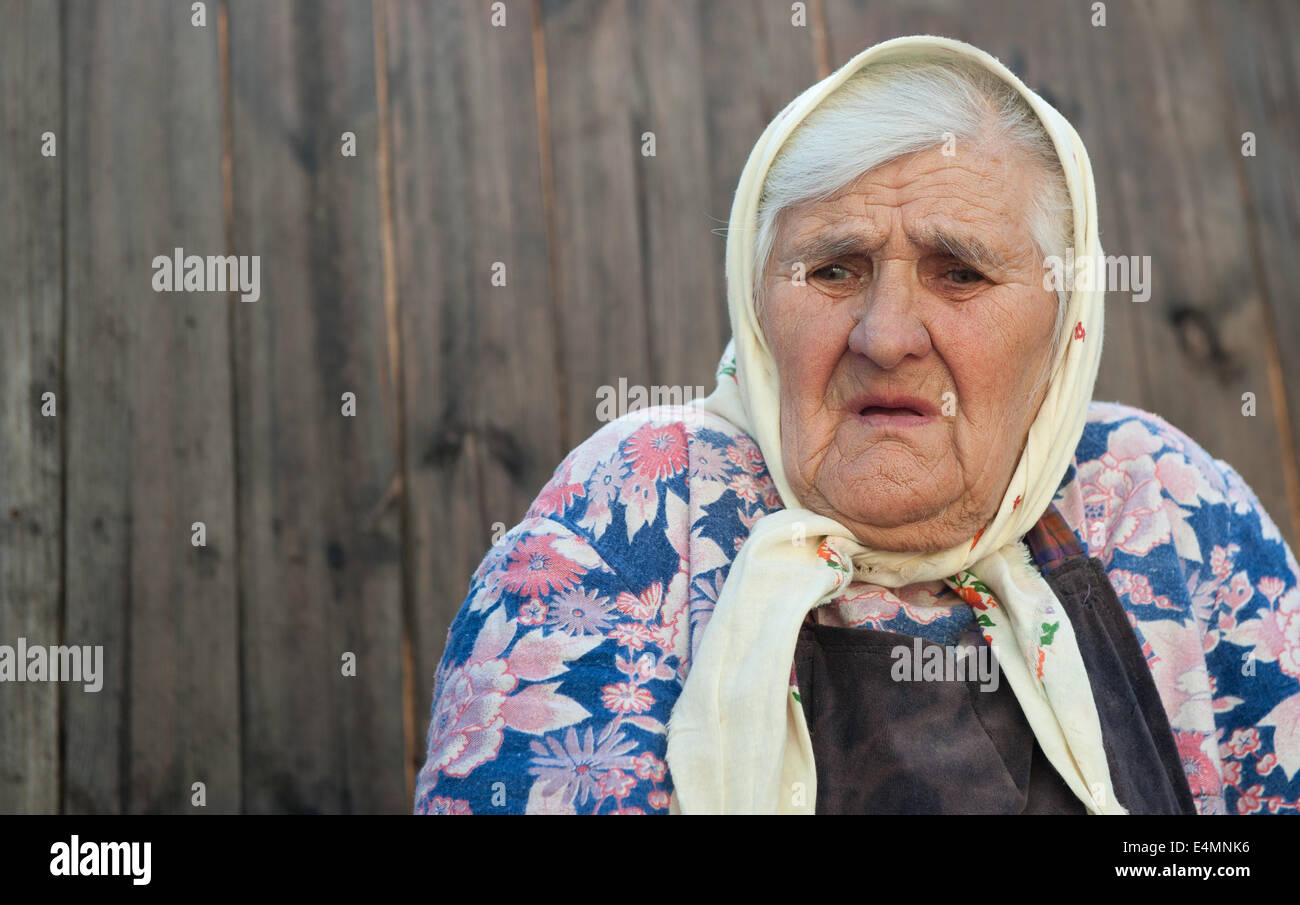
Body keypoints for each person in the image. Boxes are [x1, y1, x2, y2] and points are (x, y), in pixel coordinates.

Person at [414, 35, 1300, 815]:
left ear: (1067, 320)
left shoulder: (1167, 506)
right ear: (757, 304)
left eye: (960, 273)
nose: (884, 337)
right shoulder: (639, 512)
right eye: (833, 269)